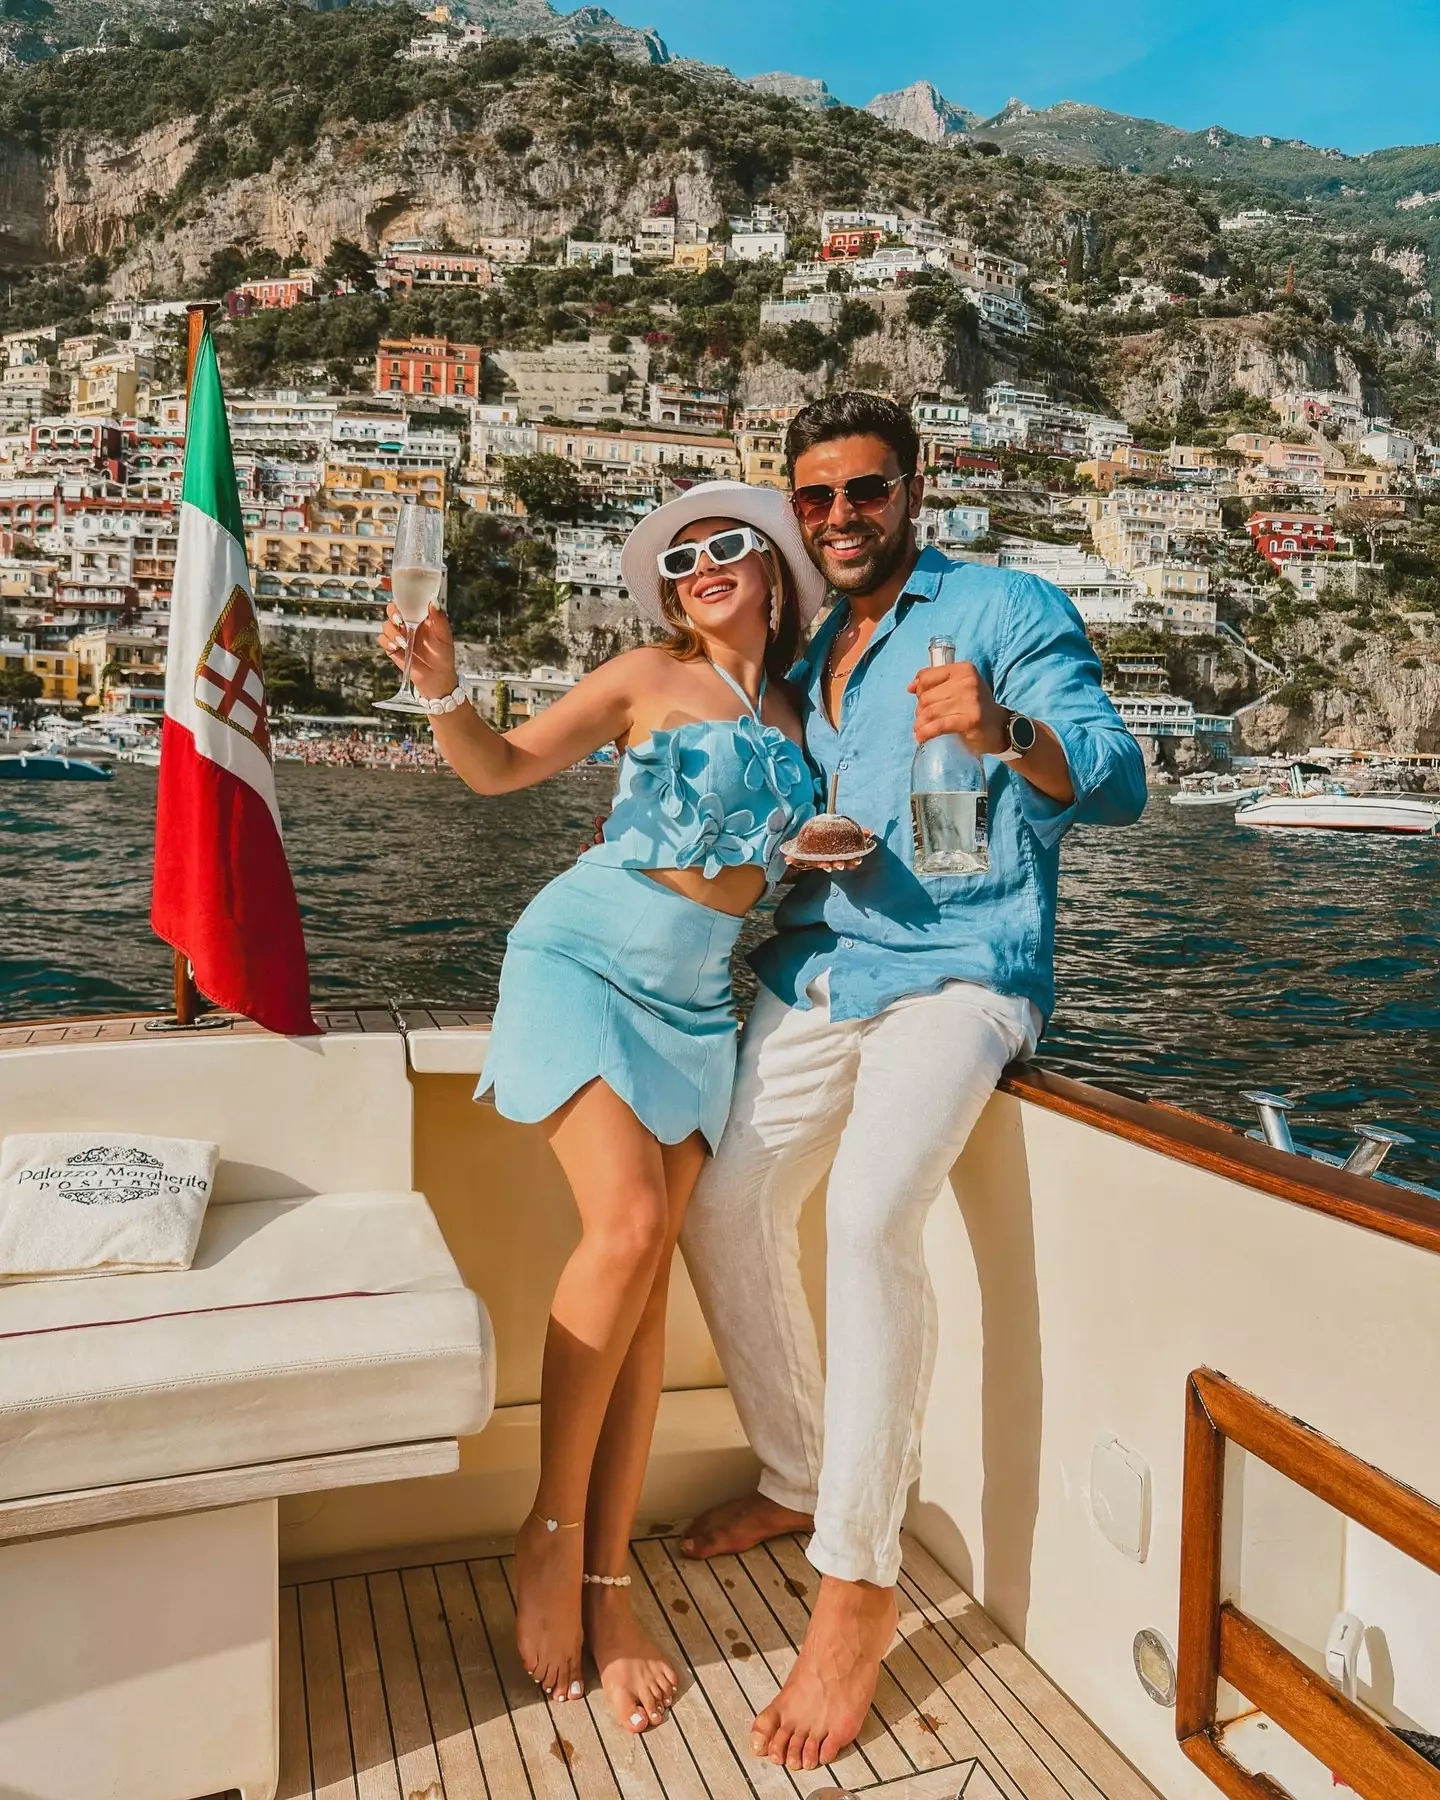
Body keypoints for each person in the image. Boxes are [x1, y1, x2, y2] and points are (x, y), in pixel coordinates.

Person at [677, 392, 1148, 1772]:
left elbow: (1117, 778)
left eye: (866, 490)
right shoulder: (815, 643)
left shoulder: (1002, 609)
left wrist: (1003, 730)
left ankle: (858, 1585)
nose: (840, 517)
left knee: (870, 1214)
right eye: (815, 498)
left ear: (915, 487)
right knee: (721, 1205)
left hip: (959, 969)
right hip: (822, 962)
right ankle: (799, 1470)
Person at [377, 484, 825, 1736]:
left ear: (775, 572)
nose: (701, 566)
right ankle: (548, 1533)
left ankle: (610, 1593)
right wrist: (442, 689)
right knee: (624, 1230)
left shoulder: (803, 712)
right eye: (681, 559)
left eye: (727, 546)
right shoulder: (643, 675)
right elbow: (499, 769)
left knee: (647, 1295)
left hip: (699, 1005)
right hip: (581, 960)